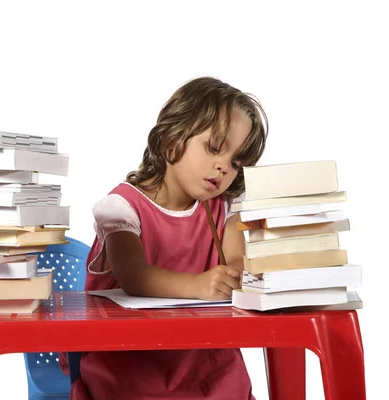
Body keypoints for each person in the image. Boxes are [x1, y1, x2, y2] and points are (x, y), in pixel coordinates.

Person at [69, 76, 268, 400]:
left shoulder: (226, 207)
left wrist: (234, 274)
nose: (223, 167)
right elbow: (134, 276)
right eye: (214, 148)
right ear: (172, 140)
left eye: (235, 162)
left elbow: (236, 260)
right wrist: (201, 285)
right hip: (132, 372)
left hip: (211, 370)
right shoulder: (122, 207)